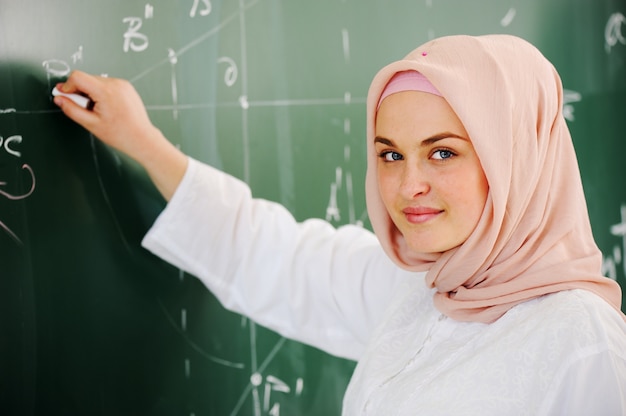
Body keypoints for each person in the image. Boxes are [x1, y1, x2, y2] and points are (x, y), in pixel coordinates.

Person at [54, 34, 626, 415]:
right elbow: (272, 255)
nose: (408, 187)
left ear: (515, 159)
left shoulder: (581, 343)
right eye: (391, 155)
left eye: (444, 152)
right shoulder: (419, 289)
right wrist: (144, 144)